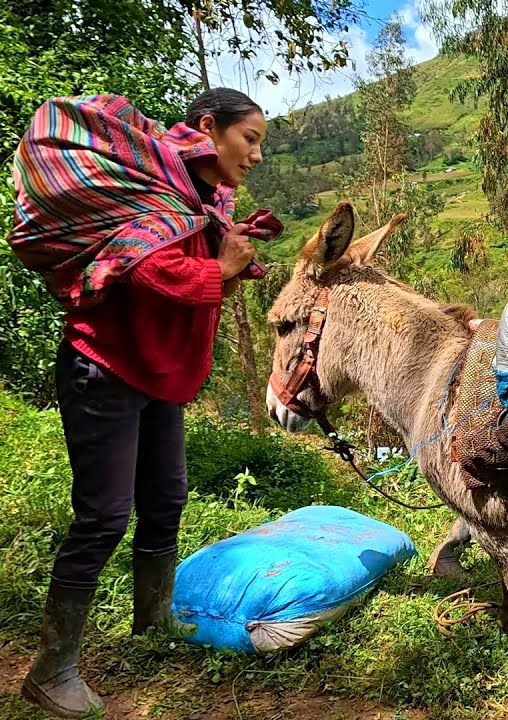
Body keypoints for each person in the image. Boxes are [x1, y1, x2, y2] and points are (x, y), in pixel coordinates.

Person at [21, 88, 268, 719]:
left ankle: (153, 618)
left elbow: (198, 257)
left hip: (158, 374)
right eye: (251, 138)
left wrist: (232, 250)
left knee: (166, 497)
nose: (257, 155)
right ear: (210, 128)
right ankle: (52, 671)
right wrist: (224, 265)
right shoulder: (153, 188)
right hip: (104, 370)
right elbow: (146, 271)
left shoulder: (208, 199)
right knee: (104, 515)